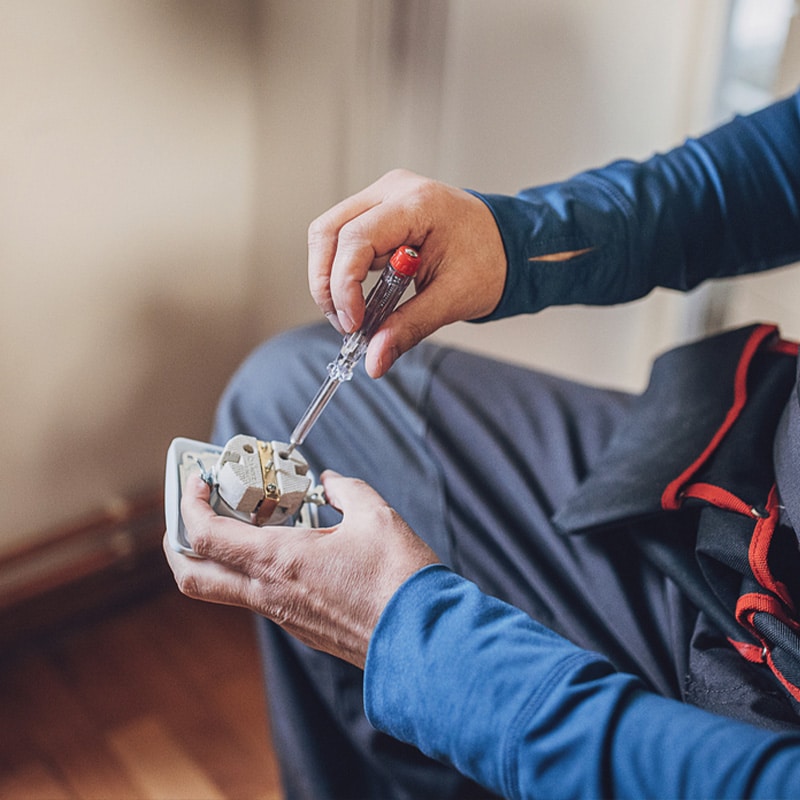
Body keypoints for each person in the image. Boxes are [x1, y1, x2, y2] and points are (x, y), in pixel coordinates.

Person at [165, 87, 800, 799]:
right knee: (280, 385)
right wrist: (517, 236)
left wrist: (424, 650)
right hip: (751, 494)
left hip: (757, 706)